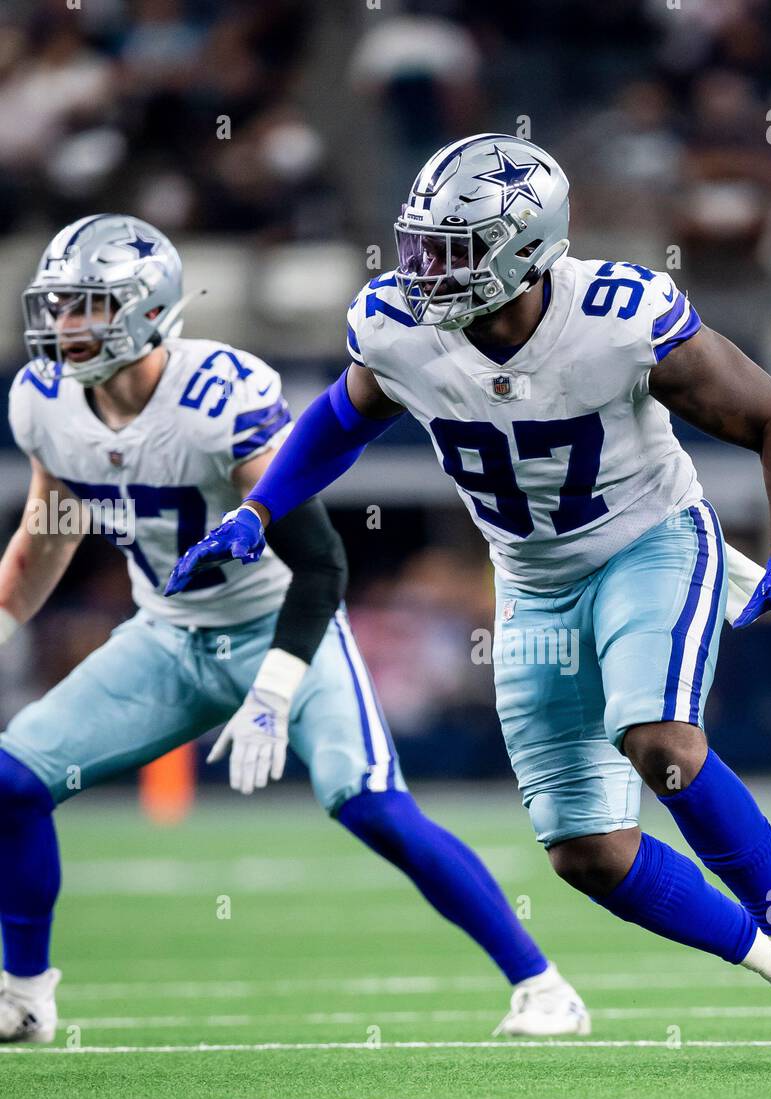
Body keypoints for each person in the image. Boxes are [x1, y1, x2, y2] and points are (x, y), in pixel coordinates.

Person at [169, 135, 771, 1067]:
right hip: (530, 579)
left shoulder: (617, 316)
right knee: (588, 856)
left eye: (454, 251)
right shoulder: (400, 327)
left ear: (528, 249)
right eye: (420, 247)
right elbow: (340, 418)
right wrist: (260, 507)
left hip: (647, 542)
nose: (425, 272)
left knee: (658, 741)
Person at [0, 213, 589, 1044]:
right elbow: (48, 533)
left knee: (371, 806)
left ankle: (543, 984)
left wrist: (275, 690)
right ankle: (25, 994)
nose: (62, 326)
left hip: (282, 624)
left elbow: (320, 565)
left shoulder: (216, 398)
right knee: (12, 782)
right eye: (57, 307)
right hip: (168, 635)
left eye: (85, 307)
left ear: (146, 310)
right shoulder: (45, 403)